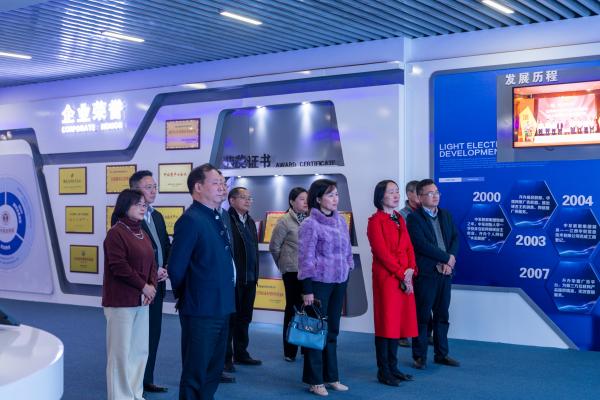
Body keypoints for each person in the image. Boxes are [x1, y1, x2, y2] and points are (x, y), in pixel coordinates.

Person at [168, 164, 236, 400]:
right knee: (196, 371)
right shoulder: (191, 220)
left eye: (223, 183)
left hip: (222, 305)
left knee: (213, 370)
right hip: (200, 308)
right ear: (198, 187)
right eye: (216, 183)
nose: (222, 187)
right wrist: (190, 296)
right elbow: (176, 269)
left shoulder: (217, 216)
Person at [298, 179, 353, 397]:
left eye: (336, 194)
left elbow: (347, 251)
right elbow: (305, 258)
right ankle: (315, 380)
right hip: (319, 283)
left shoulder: (341, 221)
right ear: (318, 198)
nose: (335, 199)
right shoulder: (310, 224)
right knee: (315, 332)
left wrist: (348, 267)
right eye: (330, 195)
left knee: (332, 331)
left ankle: (331, 377)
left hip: (339, 282)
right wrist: (307, 289)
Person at [102, 189, 157, 400]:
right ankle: (120, 396)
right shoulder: (116, 233)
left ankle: (135, 394)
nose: (143, 207)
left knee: (139, 352)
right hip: (120, 302)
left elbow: (152, 263)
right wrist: (144, 286)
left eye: (144, 204)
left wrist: (151, 286)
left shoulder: (142, 232)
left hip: (141, 301)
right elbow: (119, 266)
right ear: (125, 206)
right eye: (138, 204)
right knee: (120, 355)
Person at [367, 180, 418, 386]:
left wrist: (411, 269)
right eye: (391, 192)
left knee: (397, 324)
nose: (396, 195)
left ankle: (394, 368)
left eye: (397, 192)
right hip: (387, 279)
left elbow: (409, 247)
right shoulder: (375, 221)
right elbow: (382, 253)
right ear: (381, 197)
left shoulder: (399, 218)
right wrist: (401, 273)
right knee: (386, 324)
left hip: (404, 277)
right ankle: (384, 371)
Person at [406, 179, 460, 370]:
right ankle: (419, 356)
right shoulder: (414, 218)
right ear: (420, 197)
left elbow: (455, 238)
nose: (435, 196)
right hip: (427, 274)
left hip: (445, 273)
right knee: (422, 317)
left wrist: (450, 260)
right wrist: (446, 258)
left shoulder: (445, 215)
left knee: (442, 315)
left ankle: (441, 354)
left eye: (437, 192)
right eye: (430, 193)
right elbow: (421, 245)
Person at [129, 170, 170, 394]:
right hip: (138, 288)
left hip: (158, 286)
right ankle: (132, 383)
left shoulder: (157, 216)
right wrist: (153, 272)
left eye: (155, 186)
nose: (154, 191)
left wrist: (167, 268)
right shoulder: (125, 218)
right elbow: (130, 258)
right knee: (136, 338)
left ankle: (147, 379)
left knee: (153, 335)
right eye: (148, 187)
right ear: (135, 190)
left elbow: (165, 246)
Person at [269, 187, 309, 362]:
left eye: (307, 199)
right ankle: (290, 351)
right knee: (293, 309)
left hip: (309, 272)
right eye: (301, 199)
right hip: (292, 272)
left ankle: (307, 347)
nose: (305, 202)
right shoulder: (285, 221)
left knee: (308, 309)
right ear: (292, 201)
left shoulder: (311, 219)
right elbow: (274, 246)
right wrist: (283, 265)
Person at [226, 187, 262, 368]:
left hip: (250, 277)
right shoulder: (227, 220)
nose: (248, 201)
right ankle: (226, 358)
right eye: (243, 197)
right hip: (234, 279)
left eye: (250, 198)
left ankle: (241, 353)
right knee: (230, 320)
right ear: (232, 200)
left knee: (245, 318)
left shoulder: (250, 221)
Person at [398, 179, 420, 347]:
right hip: (406, 264)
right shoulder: (402, 215)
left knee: (422, 300)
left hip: (421, 263)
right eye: (419, 193)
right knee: (404, 300)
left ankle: (422, 334)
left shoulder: (425, 213)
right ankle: (402, 334)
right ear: (409, 194)